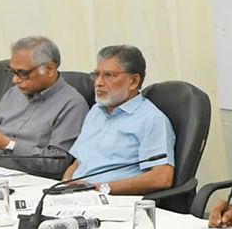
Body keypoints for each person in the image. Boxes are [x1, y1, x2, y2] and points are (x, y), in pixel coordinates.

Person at [0, 36, 88, 178]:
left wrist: (8, 145)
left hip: (30, 181)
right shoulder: (13, 93)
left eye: (23, 73)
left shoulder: (72, 104)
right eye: (12, 72)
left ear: (50, 69)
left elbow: (57, 164)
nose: (15, 79)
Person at [61, 45, 176, 194]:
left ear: (133, 81)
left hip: (112, 199)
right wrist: (65, 184)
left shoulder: (151, 119)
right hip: (76, 196)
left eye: (109, 75)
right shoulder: (96, 111)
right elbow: (78, 162)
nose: (98, 83)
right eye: (96, 75)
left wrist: (101, 189)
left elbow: (162, 178)